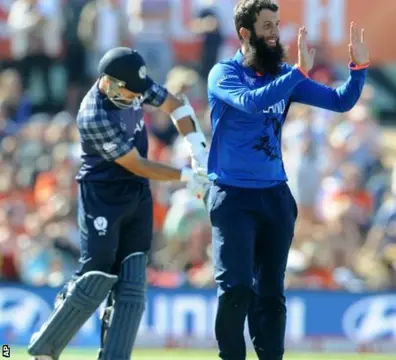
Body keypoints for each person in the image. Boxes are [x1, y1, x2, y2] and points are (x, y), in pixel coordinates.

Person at [205, 0, 369, 359]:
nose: (275, 33)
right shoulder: (223, 74)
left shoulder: (283, 75)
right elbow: (248, 102)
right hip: (232, 196)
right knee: (235, 288)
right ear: (245, 33)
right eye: (267, 26)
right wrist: (296, 73)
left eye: (277, 24)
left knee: (270, 292)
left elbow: (341, 102)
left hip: (274, 196)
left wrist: (359, 67)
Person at [27, 47, 209, 360]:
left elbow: (173, 105)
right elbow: (136, 163)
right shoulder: (93, 114)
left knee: (134, 285)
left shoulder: (132, 84)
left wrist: (197, 148)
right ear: (109, 82)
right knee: (97, 276)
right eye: (130, 91)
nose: (137, 97)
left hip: (137, 194)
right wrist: (186, 176)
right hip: (103, 196)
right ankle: (46, 347)